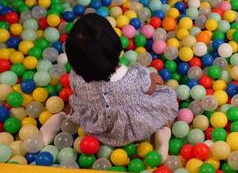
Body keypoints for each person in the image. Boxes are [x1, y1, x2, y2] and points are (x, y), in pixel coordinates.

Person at [40, 13, 178, 160]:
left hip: (96, 127)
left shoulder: (76, 77)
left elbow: (77, 94)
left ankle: (63, 117)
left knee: (74, 103)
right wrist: (152, 78)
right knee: (168, 99)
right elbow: (149, 88)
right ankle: (163, 134)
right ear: (116, 47)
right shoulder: (132, 77)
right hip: (131, 128)